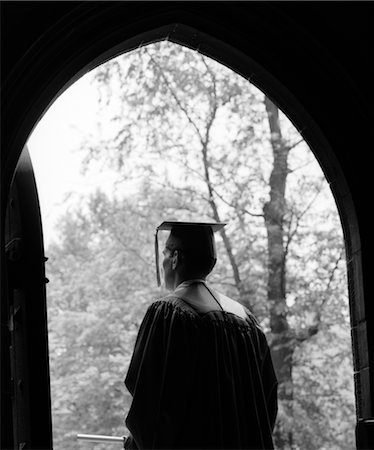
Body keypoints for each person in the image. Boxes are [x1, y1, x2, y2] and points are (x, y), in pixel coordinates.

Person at [124, 221, 278, 449]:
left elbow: (151, 401)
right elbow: (267, 401)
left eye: (165, 254)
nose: (164, 262)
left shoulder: (168, 313)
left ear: (175, 258)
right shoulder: (246, 318)